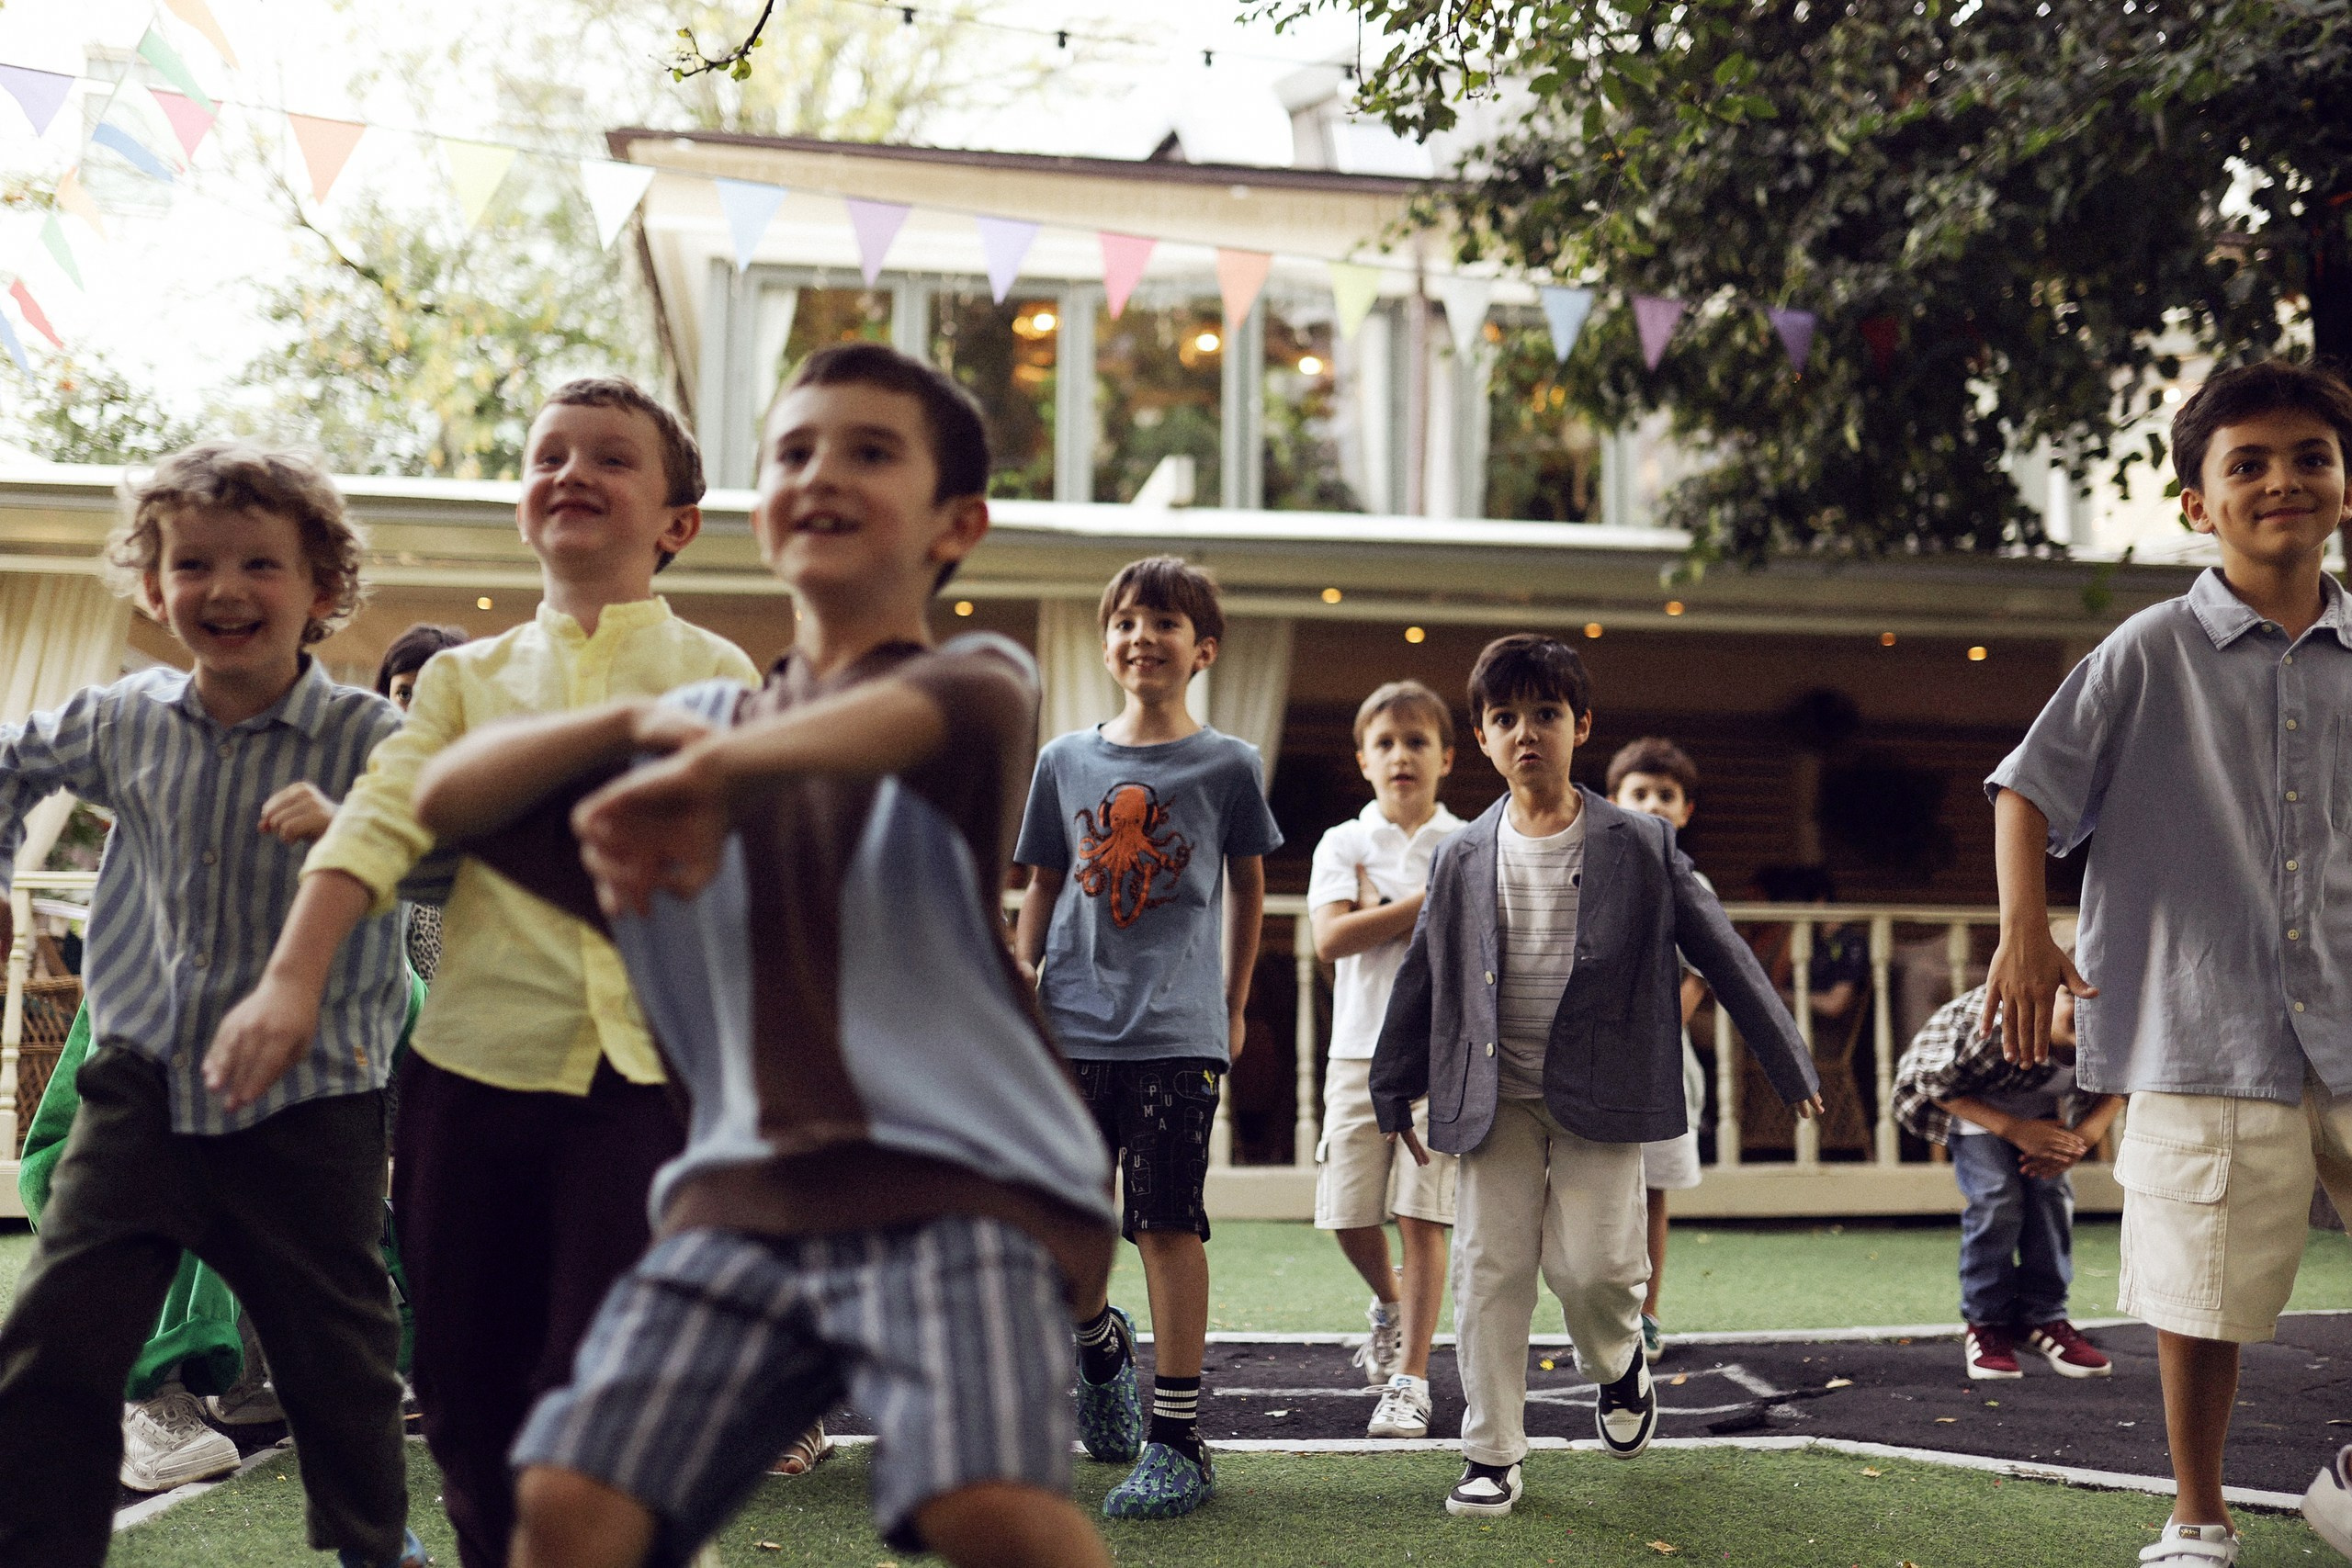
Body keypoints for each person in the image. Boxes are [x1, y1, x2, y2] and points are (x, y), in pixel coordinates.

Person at [409, 341, 1118, 1568]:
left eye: (870, 450)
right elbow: (450, 794)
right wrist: (643, 724)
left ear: (959, 523)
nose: (822, 472)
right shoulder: (684, 741)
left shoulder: (975, 681)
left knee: (987, 1506)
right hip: (740, 1203)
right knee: (572, 1506)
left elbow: (934, 714)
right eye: (795, 450)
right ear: (754, 505)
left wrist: (715, 766)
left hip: (955, 1188)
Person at [210, 378, 760, 1568]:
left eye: (610, 457)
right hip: (469, 1073)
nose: (571, 470)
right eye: (547, 453)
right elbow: (375, 822)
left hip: (649, 1088)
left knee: (603, 1392)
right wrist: (293, 977)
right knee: (460, 1383)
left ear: (676, 519)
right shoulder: (464, 680)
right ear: (521, 507)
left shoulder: (721, 677)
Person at [0, 441, 427, 1567]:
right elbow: (10, 764)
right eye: (192, 564)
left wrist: (353, 828)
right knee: (57, 1338)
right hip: (141, 1083)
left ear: (322, 591)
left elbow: (445, 856)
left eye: (260, 565)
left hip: (317, 1097)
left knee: (340, 1353)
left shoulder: (370, 739)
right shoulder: (123, 719)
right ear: (153, 585)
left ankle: (375, 1548)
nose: (225, 589)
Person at [1985, 359, 2352, 1568]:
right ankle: (2199, 1509)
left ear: (2347, 482)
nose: (2282, 479)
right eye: (2245, 462)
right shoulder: (2149, 650)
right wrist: (2026, 928)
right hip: (2204, 1030)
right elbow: (2028, 790)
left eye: (2310, 454)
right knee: (2202, 1291)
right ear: (2198, 501)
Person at [1370, 633, 1823, 1519]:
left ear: (1583, 725)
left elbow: (1719, 946)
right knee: (1487, 1267)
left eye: (1545, 714)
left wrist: (1785, 1053)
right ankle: (1491, 1450)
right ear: (1485, 737)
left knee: (1596, 1273)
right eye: (1506, 719)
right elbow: (1425, 972)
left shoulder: (1641, 841)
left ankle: (1619, 1366)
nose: (1526, 732)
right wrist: (1393, 1081)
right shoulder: (1461, 851)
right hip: (1491, 1093)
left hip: (1603, 1090)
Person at [1013, 554, 1283, 1518]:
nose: (1143, 636)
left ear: (1201, 649)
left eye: (1165, 623)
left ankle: (1178, 1439)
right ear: (1106, 642)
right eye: (1127, 621)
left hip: (1175, 1029)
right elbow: (1043, 879)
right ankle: (1097, 1347)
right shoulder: (1064, 761)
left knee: (1165, 1220)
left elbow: (1249, 885)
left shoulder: (1226, 765)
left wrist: (1234, 998)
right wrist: (1022, 973)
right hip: (1069, 1022)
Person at [1306, 680, 1467, 1439]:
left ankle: (1411, 1378)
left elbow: (1471, 950)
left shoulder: (1468, 842)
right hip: (1356, 1053)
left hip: (1440, 1058)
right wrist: (1425, 905)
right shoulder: (1344, 841)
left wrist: (1380, 912)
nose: (1402, 755)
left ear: (1446, 757)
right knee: (1345, 1213)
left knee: (1422, 1213)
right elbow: (1331, 940)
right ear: (1364, 759)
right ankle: (1392, 1301)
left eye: (1417, 742)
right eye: (1386, 743)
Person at [1891, 958, 2121, 1380]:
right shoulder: (1999, 1028)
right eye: (2073, 997)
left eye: (2102, 1002)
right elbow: (1938, 1085)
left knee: (2051, 1196)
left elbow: (2121, 1087)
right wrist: (2015, 1130)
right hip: (1971, 1102)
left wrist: (2079, 1141)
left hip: (2036, 1104)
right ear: (2041, 990)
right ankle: (1988, 1322)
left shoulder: (2113, 1036)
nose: (2089, 1014)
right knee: (1998, 1196)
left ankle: (2043, 1316)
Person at [1604, 737, 1714, 1363]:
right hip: (1598, 1061)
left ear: (1686, 808)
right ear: (1614, 801)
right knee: (1594, 1189)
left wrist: (1655, 1027)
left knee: (1651, 1192)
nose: (1653, 803)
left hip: (1661, 1067)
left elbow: (1702, 970)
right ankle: (1599, 1307)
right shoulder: (1596, 867)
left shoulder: (1689, 880)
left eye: (1665, 795)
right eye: (1639, 792)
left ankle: (1645, 1312)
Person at [375, 623, 470, 980]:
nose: (415, 710)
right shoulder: (359, 786)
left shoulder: (486, 799)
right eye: (404, 694)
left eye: (436, 695)